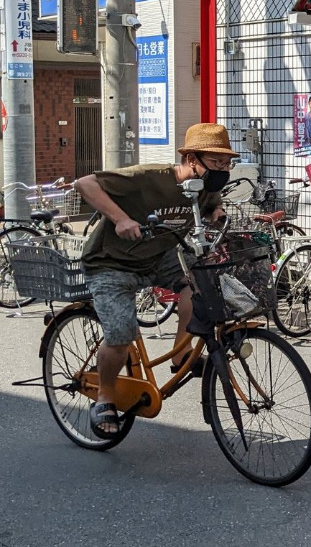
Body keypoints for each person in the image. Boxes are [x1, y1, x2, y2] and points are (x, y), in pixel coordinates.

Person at [75, 122, 235, 439]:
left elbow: (212, 203)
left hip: (158, 255)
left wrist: (216, 211)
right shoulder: (150, 178)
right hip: (112, 261)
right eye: (216, 163)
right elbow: (85, 183)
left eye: (227, 163)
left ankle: (180, 356)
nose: (222, 169)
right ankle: (105, 398)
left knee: (200, 287)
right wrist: (120, 218)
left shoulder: (206, 188)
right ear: (191, 158)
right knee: (121, 333)